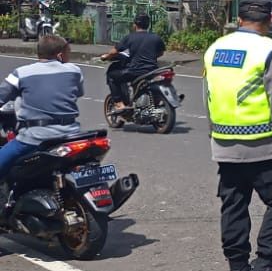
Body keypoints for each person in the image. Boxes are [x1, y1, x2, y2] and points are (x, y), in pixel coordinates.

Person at [204, 0, 272, 271]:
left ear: (238, 18)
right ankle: (264, 267)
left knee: (234, 204)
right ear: (270, 19)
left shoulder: (215, 49)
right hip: (262, 145)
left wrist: (216, 136)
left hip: (224, 143)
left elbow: (209, 94)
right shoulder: (270, 51)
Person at [0, 35, 83, 205]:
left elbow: (2, 95)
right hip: (71, 135)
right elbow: (78, 92)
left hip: (35, 138)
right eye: (68, 51)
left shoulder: (21, 73)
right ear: (60, 55)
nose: (69, 54)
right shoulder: (74, 70)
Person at [103, 13, 165, 110]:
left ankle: (119, 103)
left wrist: (106, 56)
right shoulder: (156, 37)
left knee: (111, 75)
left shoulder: (130, 37)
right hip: (152, 71)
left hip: (135, 71)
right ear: (148, 25)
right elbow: (161, 53)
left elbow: (114, 52)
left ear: (135, 25)